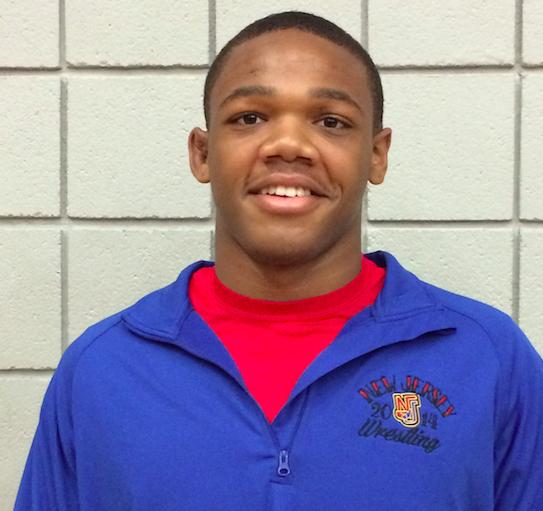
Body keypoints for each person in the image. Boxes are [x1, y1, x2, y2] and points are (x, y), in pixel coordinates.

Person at [15, 11, 543, 511]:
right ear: (202, 153)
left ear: (376, 155)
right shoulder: (103, 369)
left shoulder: (489, 359)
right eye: (249, 117)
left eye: (332, 121)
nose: (289, 144)